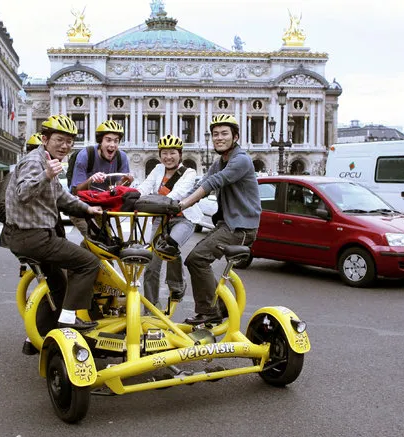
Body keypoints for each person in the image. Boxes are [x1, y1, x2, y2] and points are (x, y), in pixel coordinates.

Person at [5, 115, 102, 331]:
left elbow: (61, 197)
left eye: (69, 141)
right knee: (89, 263)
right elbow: (23, 193)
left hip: (31, 236)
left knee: (58, 285)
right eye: (60, 139)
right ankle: (69, 318)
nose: (65, 146)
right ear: (45, 138)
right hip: (34, 237)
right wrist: (46, 175)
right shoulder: (35, 161)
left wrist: (88, 209)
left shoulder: (48, 161)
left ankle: (37, 337)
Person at [177, 115, 261, 325]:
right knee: (195, 259)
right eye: (215, 134)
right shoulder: (219, 162)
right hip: (229, 225)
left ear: (236, 137)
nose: (219, 138)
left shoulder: (240, 160)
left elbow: (215, 182)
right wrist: (173, 202)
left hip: (241, 228)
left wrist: (183, 205)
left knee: (198, 259)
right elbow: (202, 184)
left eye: (224, 134)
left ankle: (211, 310)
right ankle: (219, 306)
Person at [0, 132, 65, 355]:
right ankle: (38, 335)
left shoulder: (42, 170)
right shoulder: (23, 172)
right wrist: (26, 221)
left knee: (50, 285)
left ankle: (40, 334)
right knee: (54, 286)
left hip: (46, 235)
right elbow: (1, 209)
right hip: (30, 238)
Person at [136, 134, 202, 309]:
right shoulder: (158, 169)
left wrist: (154, 201)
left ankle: (177, 286)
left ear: (180, 154)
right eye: (164, 153)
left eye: (172, 153)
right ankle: (151, 306)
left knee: (170, 246)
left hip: (182, 219)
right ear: (160, 155)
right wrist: (133, 195)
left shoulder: (189, 172)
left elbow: (177, 194)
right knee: (151, 264)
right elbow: (145, 186)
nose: (168, 157)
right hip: (160, 220)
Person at [69, 120, 133, 237]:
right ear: (100, 141)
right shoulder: (86, 155)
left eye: (116, 141)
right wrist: (91, 180)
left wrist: (127, 181)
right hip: (81, 207)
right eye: (108, 140)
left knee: (104, 240)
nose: (112, 145)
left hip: (103, 207)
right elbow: (76, 190)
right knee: (99, 238)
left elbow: (119, 188)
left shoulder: (121, 157)